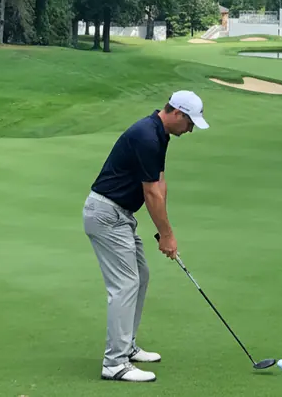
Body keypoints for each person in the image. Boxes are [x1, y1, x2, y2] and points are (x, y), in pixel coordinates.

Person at [83, 90, 209, 382]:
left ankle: (126, 346)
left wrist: (166, 232)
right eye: (190, 122)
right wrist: (166, 235)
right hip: (106, 215)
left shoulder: (159, 134)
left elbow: (159, 183)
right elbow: (150, 192)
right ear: (177, 113)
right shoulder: (147, 136)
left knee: (140, 275)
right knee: (125, 284)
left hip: (120, 215)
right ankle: (114, 363)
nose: (190, 129)